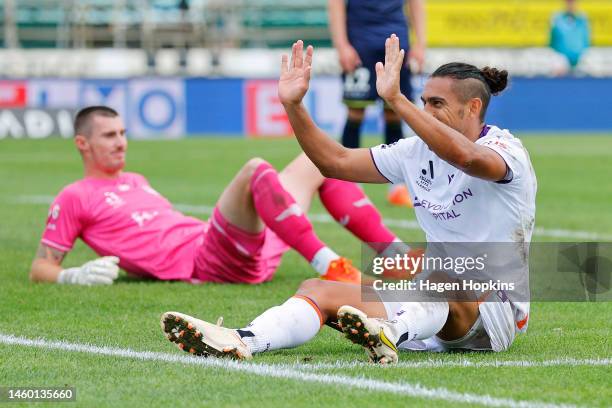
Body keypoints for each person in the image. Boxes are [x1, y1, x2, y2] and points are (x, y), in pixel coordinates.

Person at [160, 38, 536, 362]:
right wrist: (293, 106)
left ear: (473, 108)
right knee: (317, 290)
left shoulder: (505, 149)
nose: (425, 112)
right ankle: (242, 341)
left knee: (440, 275)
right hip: (430, 304)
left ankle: (390, 330)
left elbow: (468, 159)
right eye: (422, 102)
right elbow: (334, 161)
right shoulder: (414, 152)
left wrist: (396, 101)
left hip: (493, 311)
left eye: (436, 104)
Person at [30, 106, 413, 286]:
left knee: (320, 161)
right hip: (208, 259)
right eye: (109, 136)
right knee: (255, 169)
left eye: (123, 133)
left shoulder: (135, 179)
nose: (121, 142)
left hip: (233, 245)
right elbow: (40, 268)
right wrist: (72, 276)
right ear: (82, 143)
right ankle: (328, 264)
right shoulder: (74, 196)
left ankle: (394, 256)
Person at [328, 0, 426, 207]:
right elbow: (335, 4)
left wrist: (420, 44)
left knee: (394, 111)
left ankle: (397, 186)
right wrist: (341, 45)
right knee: (356, 111)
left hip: (396, 38)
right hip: (359, 41)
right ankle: (349, 184)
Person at [549, 0, 591, 74]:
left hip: (580, 58)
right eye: (569, 2)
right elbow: (552, 41)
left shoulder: (582, 19)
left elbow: (586, 40)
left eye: (573, 2)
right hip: (562, 58)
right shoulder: (557, 19)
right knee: (558, 67)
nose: (571, 5)